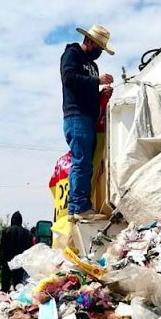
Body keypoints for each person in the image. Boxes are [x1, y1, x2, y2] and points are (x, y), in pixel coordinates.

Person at [60, 24, 114, 221]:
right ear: (89, 41)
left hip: (87, 117)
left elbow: (86, 90)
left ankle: (79, 206)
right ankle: (78, 206)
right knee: (82, 161)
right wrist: (97, 81)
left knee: (85, 163)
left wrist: (101, 94)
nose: (99, 52)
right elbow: (69, 79)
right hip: (76, 116)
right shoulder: (72, 54)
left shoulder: (93, 66)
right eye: (99, 48)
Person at [0, 211, 33, 290]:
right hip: (20, 263)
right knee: (18, 286)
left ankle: (4, 296)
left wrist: (0, 263)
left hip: (7, 262)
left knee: (5, 286)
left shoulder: (6, 231)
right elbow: (30, 251)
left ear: (12, 220)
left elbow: (2, 248)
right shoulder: (27, 233)